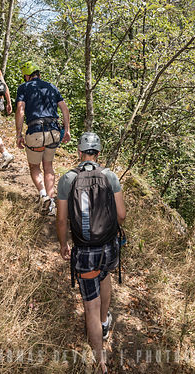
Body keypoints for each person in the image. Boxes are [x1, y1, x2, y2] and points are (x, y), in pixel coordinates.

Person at [56, 132, 126, 374]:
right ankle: (105, 323)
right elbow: (122, 215)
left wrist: (63, 244)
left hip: (85, 250)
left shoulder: (68, 179)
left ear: (79, 152)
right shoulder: (110, 176)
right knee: (104, 275)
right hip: (108, 246)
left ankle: (100, 362)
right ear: (98, 153)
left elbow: (62, 219)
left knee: (90, 307)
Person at [14, 61, 71, 215]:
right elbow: (64, 109)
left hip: (36, 131)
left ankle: (43, 195)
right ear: (38, 73)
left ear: (27, 75)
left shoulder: (23, 87)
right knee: (49, 166)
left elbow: (20, 110)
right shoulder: (51, 87)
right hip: (53, 132)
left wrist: (19, 134)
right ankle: (51, 203)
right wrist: (67, 130)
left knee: (34, 166)